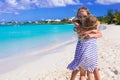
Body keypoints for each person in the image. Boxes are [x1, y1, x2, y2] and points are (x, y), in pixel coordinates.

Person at [67, 6, 102, 80]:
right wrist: (93, 30)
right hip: (83, 50)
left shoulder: (93, 24)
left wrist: (93, 33)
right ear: (77, 16)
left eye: (84, 16)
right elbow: (82, 31)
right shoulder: (79, 26)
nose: (82, 18)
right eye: (80, 16)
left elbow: (100, 34)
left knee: (91, 70)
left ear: (88, 15)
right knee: (86, 69)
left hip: (90, 51)